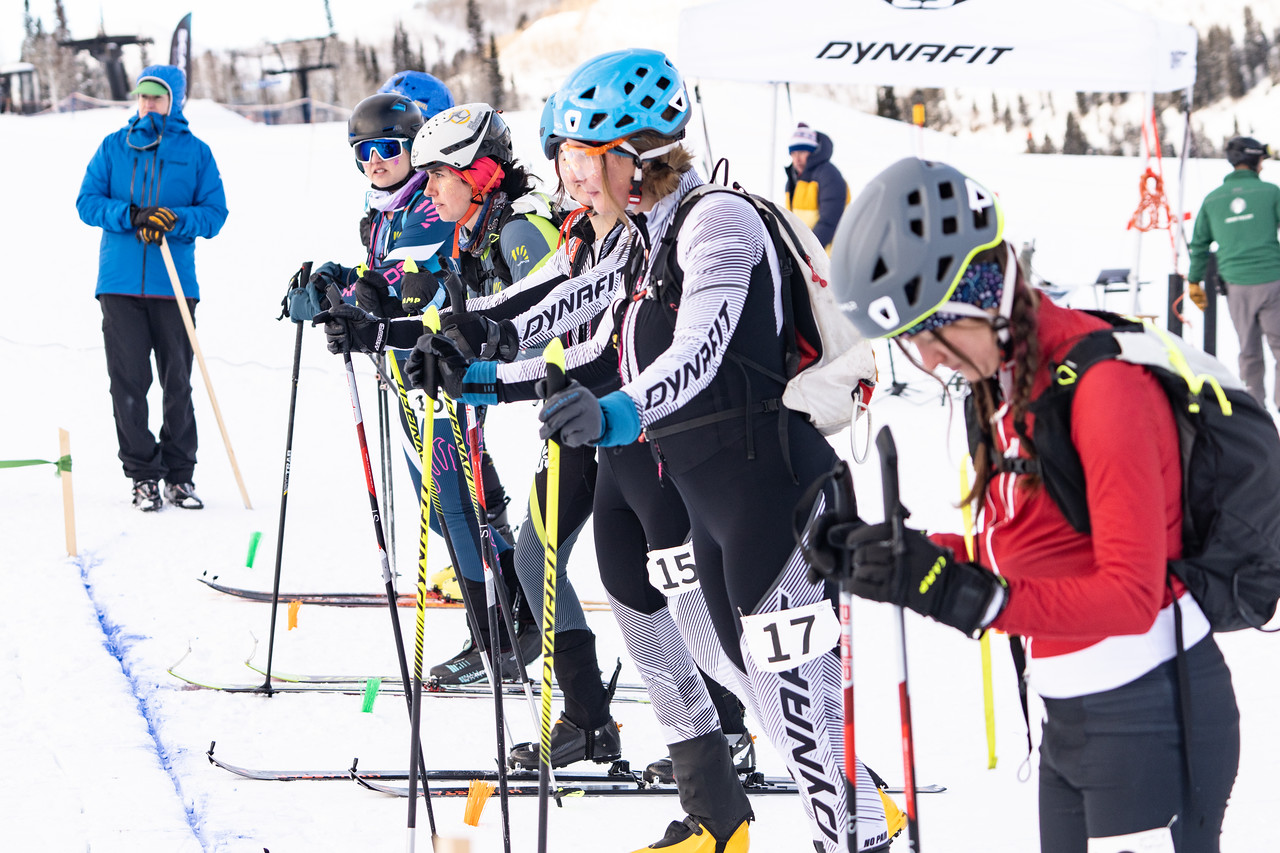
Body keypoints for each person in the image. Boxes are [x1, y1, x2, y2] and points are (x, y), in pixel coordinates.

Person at [527, 49, 896, 853]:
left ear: (637, 153)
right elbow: (556, 311)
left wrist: (616, 412)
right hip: (713, 501)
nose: (577, 179)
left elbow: (697, 353)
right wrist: (469, 355)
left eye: (587, 158)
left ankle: (859, 832)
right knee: (755, 691)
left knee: (803, 716)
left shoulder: (716, 218)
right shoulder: (644, 236)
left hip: (776, 491)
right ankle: (864, 820)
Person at [824, 156, 1240, 852]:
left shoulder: (1104, 388)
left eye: (933, 331)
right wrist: (897, 556)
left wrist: (971, 598)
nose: (929, 361)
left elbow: (1130, 593)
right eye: (910, 341)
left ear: (982, 292)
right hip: (1068, 719)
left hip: (1148, 719)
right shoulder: (1013, 381)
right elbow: (1026, 546)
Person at [290, 87, 536, 685]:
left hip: (441, 375)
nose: (375, 162)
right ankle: (508, 624)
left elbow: (412, 282)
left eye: (388, 148)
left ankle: (502, 637)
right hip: (406, 376)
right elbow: (380, 280)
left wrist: (359, 297)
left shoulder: (428, 206)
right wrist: (334, 282)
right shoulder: (383, 212)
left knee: (458, 505)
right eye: (363, 151)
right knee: (454, 504)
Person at [76, 65, 228, 511]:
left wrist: (176, 219)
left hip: (174, 284)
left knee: (177, 382)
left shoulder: (196, 152)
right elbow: (87, 202)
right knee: (128, 383)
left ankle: (179, 476)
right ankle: (143, 474)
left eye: (156, 96)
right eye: (142, 96)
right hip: (120, 284)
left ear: (174, 100)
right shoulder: (114, 147)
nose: (147, 103)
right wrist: (131, 215)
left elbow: (215, 214)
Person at [1187, 135, 1280, 411]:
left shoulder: (1213, 200)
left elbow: (1199, 244)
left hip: (1235, 286)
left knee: (1248, 353)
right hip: (1272, 281)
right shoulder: (1272, 193)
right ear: (1255, 161)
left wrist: (1194, 281)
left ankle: (1254, 411)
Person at [783, 122, 848, 251]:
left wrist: (809, 251)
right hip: (806, 257)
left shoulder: (829, 175)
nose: (797, 159)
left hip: (828, 257)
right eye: (793, 153)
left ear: (813, 152)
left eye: (802, 152)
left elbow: (829, 221)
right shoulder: (793, 179)